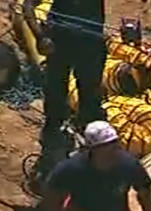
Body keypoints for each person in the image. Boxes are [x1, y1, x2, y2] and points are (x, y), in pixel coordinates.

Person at [24, 0, 107, 173]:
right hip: (59, 43)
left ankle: (91, 145)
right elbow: (28, 5)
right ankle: (53, 147)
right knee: (55, 94)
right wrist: (40, 37)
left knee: (90, 96)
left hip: (90, 43)